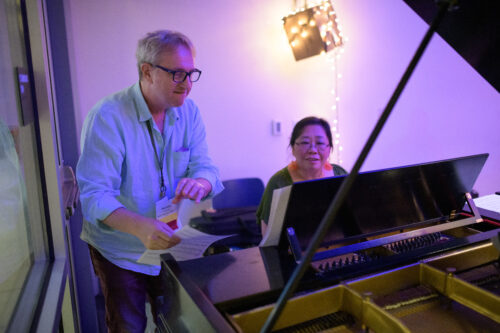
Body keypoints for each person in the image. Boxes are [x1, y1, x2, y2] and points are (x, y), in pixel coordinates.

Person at [76, 30, 223, 332]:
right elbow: (94, 195)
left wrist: (201, 183)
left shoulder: (189, 112)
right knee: (128, 326)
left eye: (192, 73)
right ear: (147, 71)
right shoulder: (107, 116)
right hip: (121, 248)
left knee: (180, 322)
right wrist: (141, 227)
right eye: (177, 74)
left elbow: (206, 167)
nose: (187, 85)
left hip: (174, 241)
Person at [256, 116, 347, 233]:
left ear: (329, 148)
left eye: (320, 143)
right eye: (305, 142)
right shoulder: (279, 182)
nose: (313, 150)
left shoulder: (340, 174)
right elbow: (268, 239)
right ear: (293, 148)